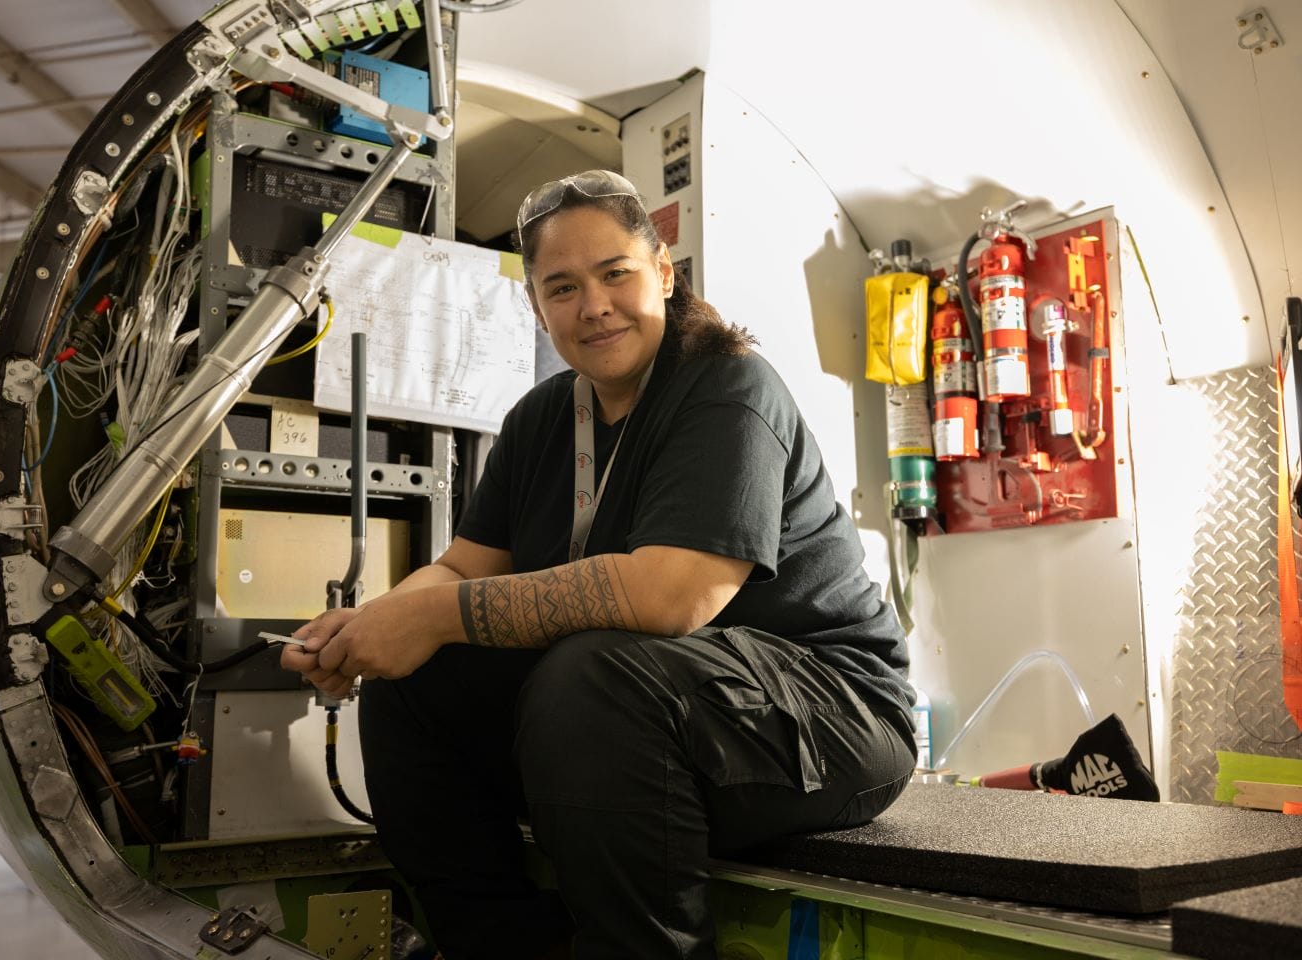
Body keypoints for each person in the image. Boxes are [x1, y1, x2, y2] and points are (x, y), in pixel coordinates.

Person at [280, 170, 917, 960]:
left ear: (664, 273)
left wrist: (433, 617)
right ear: (538, 307)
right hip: (658, 721)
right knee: (417, 684)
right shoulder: (541, 419)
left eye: (616, 273)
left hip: (836, 717)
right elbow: (458, 570)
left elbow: (671, 598)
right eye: (563, 287)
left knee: (592, 670)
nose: (594, 305)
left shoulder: (727, 388)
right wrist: (376, 627)